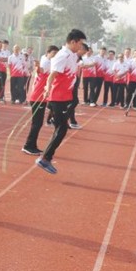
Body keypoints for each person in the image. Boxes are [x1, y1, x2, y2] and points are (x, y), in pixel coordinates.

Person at [35, 29, 87, 175]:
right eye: (80, 44)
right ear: (73, 42)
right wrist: (47, 88)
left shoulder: (71, 55)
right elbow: (52, 74)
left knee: (61, 128)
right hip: (58, 97)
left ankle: (45, 157)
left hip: (65, 96)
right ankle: (45, 158)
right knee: (62, 128)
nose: (81, 47)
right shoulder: (62, 55)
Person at [22, 45, 59, 155]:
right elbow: (41, 70)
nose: (55, 56)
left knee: (37, 123)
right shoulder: (46, 62)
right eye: (53, 53)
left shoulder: (47, 60)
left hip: (41, 97)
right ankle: (28, 146)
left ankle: (32, 145)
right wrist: (38, 66)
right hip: (37, 97)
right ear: (48, 52)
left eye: (56, 54)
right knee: (37, 123)